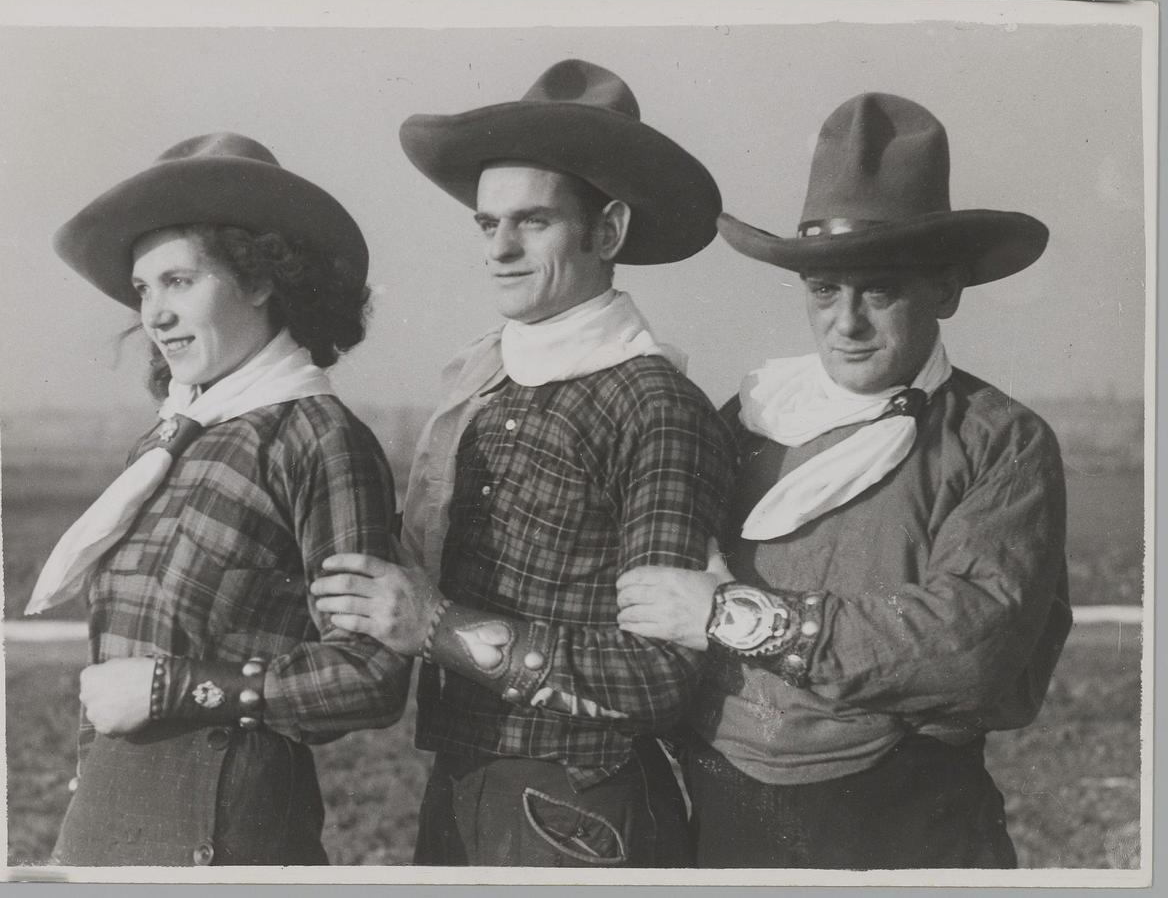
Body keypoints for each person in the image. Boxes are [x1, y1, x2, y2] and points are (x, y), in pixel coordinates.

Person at [614, 92, 1073, 869]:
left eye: (879, 289)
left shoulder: (997, 441)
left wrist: (734, 616)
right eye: (825, 289)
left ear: (945, 289)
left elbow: (968, 647)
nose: (847, 321)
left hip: (906, 821)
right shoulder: (749, 419)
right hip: (727, 817)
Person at [311, 59, 735, 867]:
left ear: (608, 232)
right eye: (487, 224)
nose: (500, 249)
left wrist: (436, 627)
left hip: (584, 810)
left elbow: (658, 675)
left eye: (532, 222)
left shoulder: (656, 405)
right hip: (466, 787)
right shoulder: (486, 385)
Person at [26, 132, 411, 866]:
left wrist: (178, 688)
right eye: (144, 289)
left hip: (227, 835)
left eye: (179, 281)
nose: (154, 315)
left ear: (260, 280)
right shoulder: (170, 440)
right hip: (108, 821)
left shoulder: (320, 440)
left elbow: (372, 675)